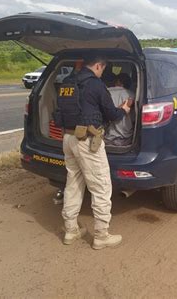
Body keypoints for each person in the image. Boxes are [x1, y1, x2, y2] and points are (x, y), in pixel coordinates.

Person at [60, 55, 131, 250]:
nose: (102, 73)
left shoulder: (67, 82)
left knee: (73, 184)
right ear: (98, 65)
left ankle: (71, 229)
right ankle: (101, 235)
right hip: (87, 141)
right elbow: (111, 114)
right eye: (102, 69)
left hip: (67, 138)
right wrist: (124, 109)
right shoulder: (96, 85)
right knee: (101, 186)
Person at [105, 73, 135, 146]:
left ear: (117, 81)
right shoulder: (133, 95)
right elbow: (134, 119)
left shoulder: (105, 92)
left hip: (107, 137)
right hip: (126, 138)